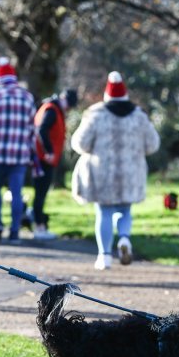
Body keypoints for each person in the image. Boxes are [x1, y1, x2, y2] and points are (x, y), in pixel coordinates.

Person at [71, 71, 160, 270]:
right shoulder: (139, 116)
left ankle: (104, 256)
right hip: (131, 172)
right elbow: (153, 144)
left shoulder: (95, 115)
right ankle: (125, 238)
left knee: (104, 212)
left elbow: (79, 143)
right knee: (125, 210)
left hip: (102, 172)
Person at [0, 57, 36, 243]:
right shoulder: (27, 97)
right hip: (19, 154)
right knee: (16, 192)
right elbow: (32, 129)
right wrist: (32, 154)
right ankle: (15, 231)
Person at [31, 88, 78, 240]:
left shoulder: (49, 107)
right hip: (44, 159)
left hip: (41, 158)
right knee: (40, 194)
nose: (69, 109)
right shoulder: (52, 110)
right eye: (69, 105)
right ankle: (39, 227)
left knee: (40, 193)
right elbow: (42, 130)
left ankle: (35, 220)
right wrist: (50, 151)